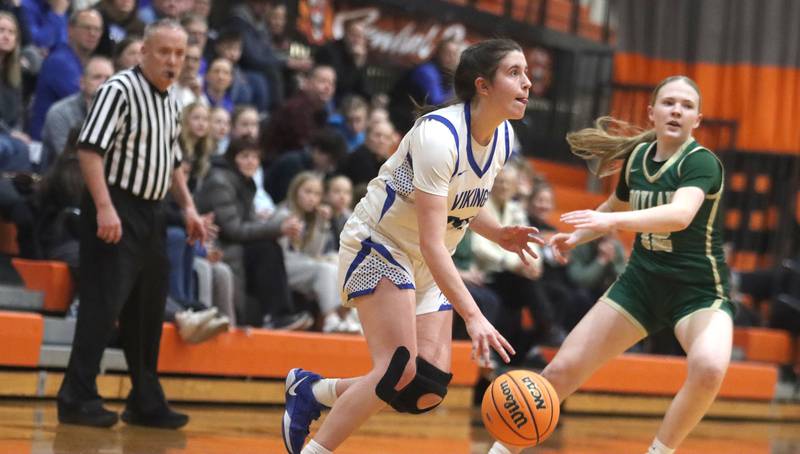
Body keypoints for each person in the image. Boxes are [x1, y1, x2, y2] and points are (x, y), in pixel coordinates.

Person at [282, 38, 538, 454]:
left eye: (526, 73)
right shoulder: (439, 136)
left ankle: (315, 392)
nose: (527, 83)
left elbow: (464, 200)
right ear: (483, 86)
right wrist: (472, 316)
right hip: (380, 244)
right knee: (397, 368)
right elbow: (432, 242)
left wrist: (498, 233)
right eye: (515, 73)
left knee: (426, 385)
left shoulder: (503, 137)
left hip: (424, 258)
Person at [489, 75, 736, 454]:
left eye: (686, 106)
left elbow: (681, 214)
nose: (677, 110)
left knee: (709, 367)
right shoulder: (638, 159)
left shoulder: (702, 162)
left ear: (697, 120)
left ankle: (659, 451)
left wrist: (612, 224)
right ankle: (500, 451)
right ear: (652, 113)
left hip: (699, 291)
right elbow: (612, 208)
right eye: (669, 102)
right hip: (641, 283)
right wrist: (576, 237)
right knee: (559, 372)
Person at [56, 19, 207, 430]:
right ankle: (76, 395)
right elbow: (89, 151)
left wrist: (190, 208)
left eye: (179, 54)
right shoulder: (118, 90)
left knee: (147, 311)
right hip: (116, 206)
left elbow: (172, 160)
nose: (172, 61)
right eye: (164, 52)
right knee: (102, 307)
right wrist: (105, 208)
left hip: (154, 213)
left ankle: (144, 399)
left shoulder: (171, 99)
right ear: (143, 52)